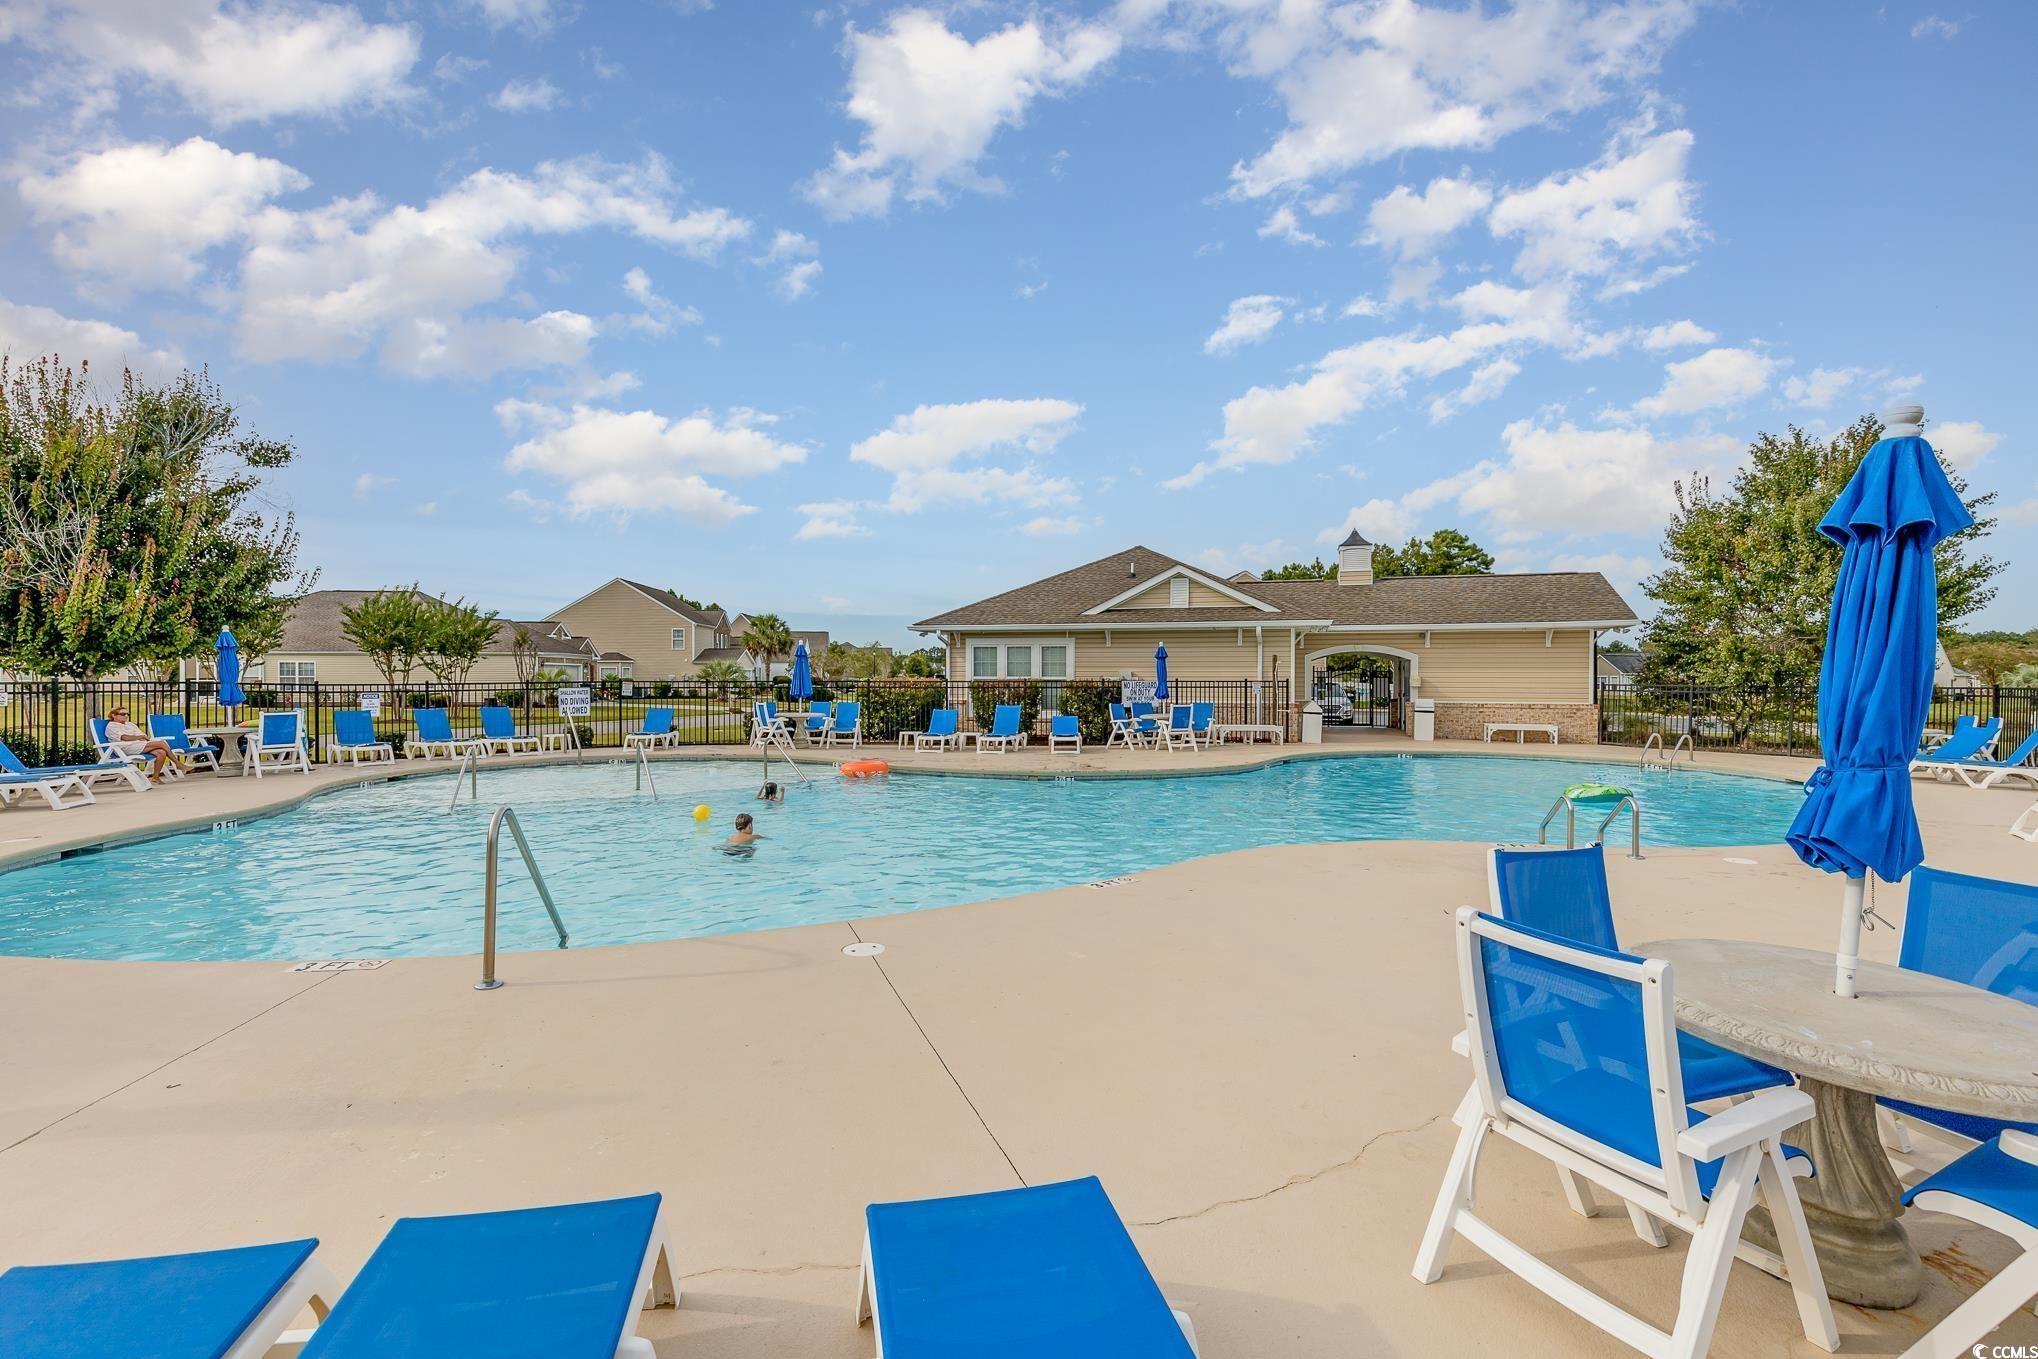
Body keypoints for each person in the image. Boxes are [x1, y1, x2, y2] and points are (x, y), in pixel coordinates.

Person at [101, 706, 177, 782]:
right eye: (123, 714)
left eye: (127, 714)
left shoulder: (130, 725)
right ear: (113, 715)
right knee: (161, 743)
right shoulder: (111, 726)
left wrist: (140, 737)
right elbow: (124, 738)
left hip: (138, 745)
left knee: (161, 752)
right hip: (124, 748)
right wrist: (138, 737)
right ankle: (177, 764)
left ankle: (155, 777)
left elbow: (143, 736)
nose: (126, 716)